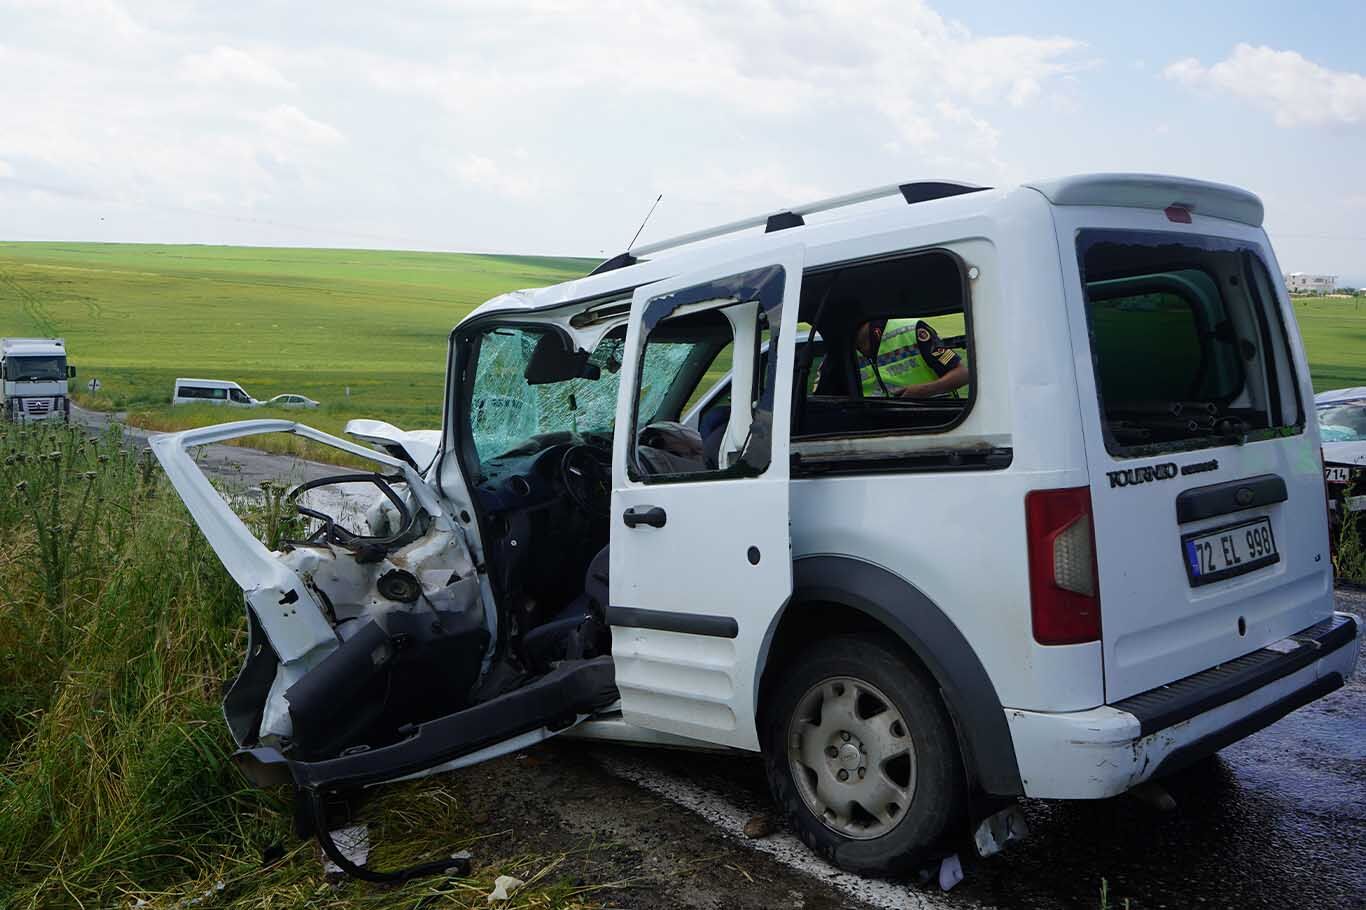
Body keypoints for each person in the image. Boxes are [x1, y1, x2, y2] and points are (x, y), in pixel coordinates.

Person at [855, 317, 969, 399]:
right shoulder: (842, 350)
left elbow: (962, 374)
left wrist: (925, 391)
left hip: (940, 421)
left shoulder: (912, 330)